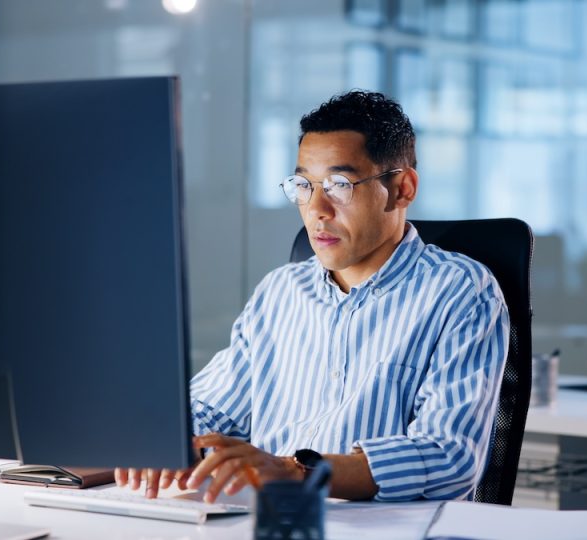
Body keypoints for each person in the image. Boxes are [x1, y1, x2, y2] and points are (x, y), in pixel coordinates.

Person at [116, 90, 509, 503]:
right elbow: (211, 408)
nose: (316, 208)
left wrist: (292, 470)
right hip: (263, 520)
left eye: (339, 185)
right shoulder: (281, 292)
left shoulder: (460, 291)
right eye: (303, 185)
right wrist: (164, 440)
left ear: (403, 189)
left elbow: (450, 458)